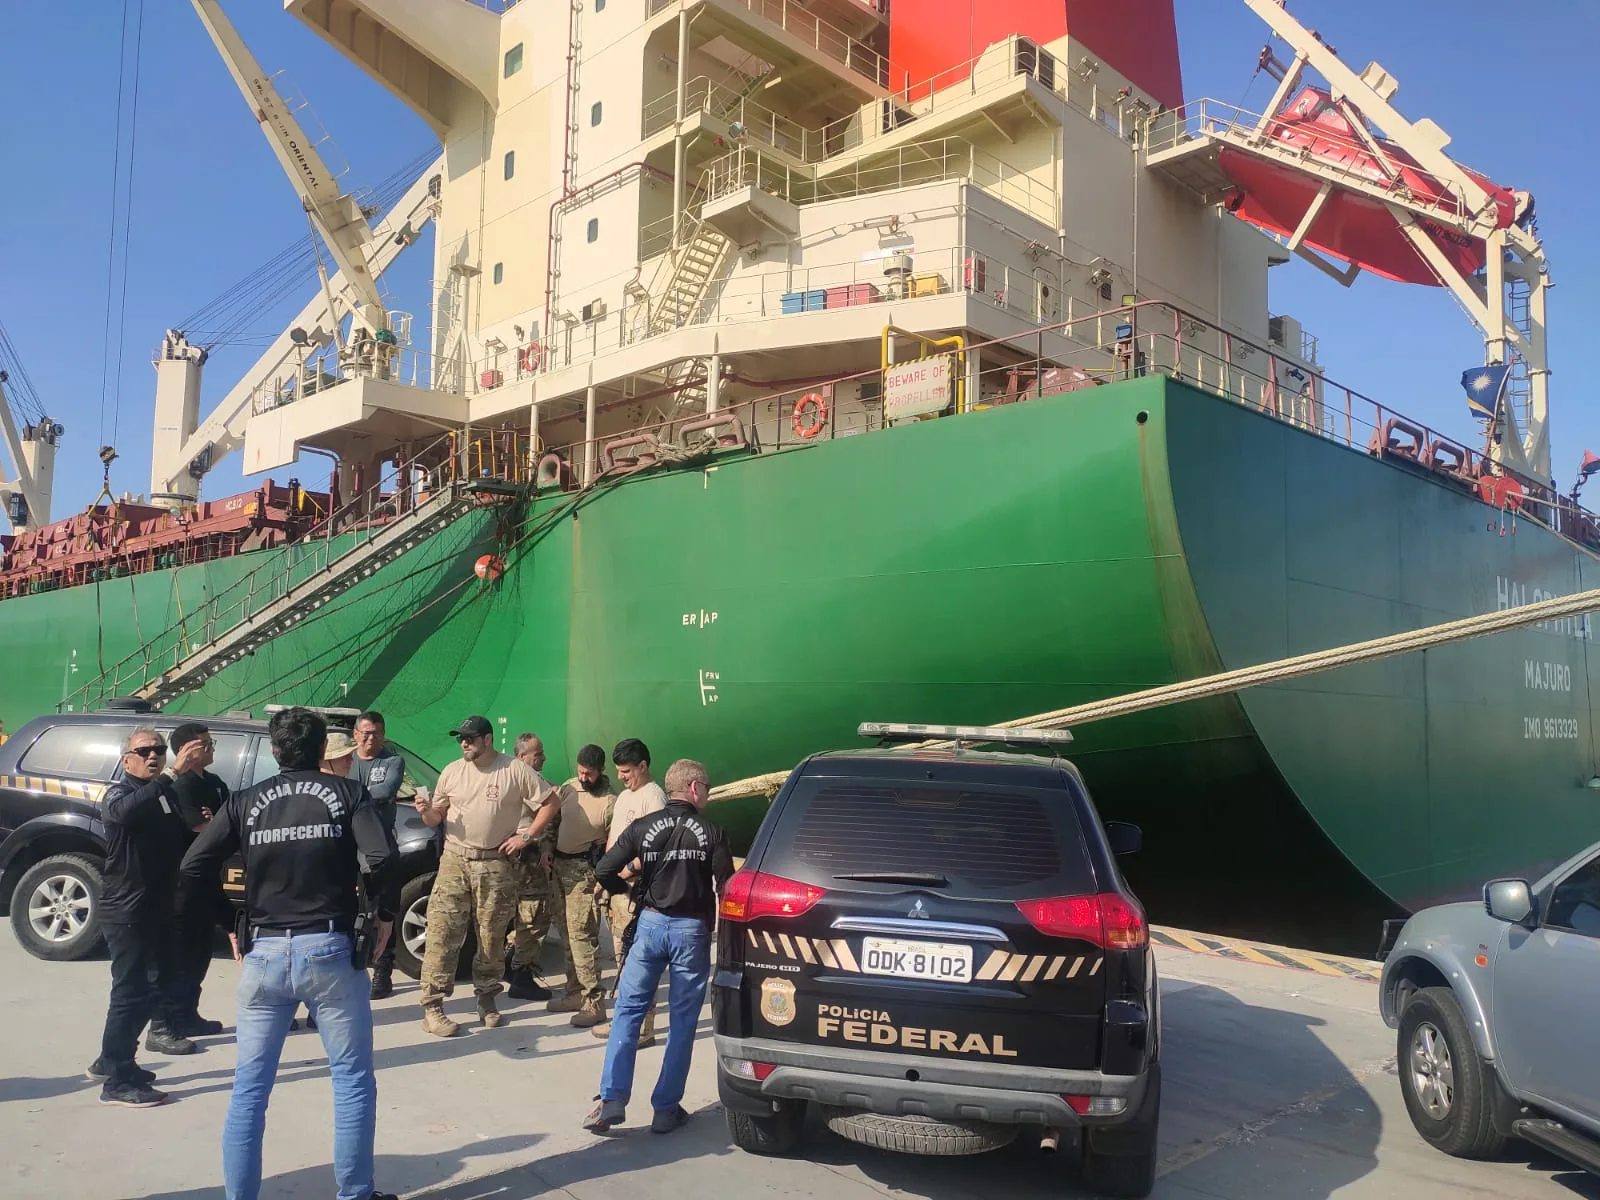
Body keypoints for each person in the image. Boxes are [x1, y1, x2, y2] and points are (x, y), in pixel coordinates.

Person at [179, 707, 399, 1200]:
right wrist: (381, 915)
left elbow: (194, 865)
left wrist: (231, 919)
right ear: (323, 750)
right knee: (351, 1081)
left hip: (265, 952)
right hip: (329, 952)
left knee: (249, 1091)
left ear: (275, 750)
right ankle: (355, 1194)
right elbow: (382, 857)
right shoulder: (348, 794)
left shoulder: (244, 801)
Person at [585, 759, 733, 1134]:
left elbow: (603, 870)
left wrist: (630, 891)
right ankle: (666, 1109)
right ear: (695, 788)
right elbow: (727, 888)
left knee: (628, 1011)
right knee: (683, 1022)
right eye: (708, 788)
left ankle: (612, 1100)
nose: (709, 795)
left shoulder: (643, 828)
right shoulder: (712, 832)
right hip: (691, 932)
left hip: (649, 926)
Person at [88, 727, 210, 1107]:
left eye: (158, 749)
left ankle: (111, 1060)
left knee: (149, 988)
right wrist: (174, 771)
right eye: (144, 751)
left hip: (156, 907)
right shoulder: (120, 794)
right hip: (128, 909)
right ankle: (117, 1080)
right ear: (127, 760)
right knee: (130, 993)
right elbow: (125, 813)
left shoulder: (162, 795)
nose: (153, 756)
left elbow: (177, 830)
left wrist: (201, 820)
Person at [414, 715, 553, 1037]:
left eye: (470, 738)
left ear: (488, 740)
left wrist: (527, 836)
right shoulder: (452, 771)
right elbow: (437, 816)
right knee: (442, 932)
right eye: (461, 738)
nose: (464, 743)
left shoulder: (515, 770)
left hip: (495, 862)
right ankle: (433, 1007)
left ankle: (488, 1000)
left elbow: (550, 803)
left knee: (491, 934)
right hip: (455, 859)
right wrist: (425, 811)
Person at [588, 737, 667, 1044]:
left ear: (643, 766)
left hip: (637, 891)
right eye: (619, 771)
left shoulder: (653, 799)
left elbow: (654, 849)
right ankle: (624, 1019)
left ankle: (642, 1027)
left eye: (626, 771)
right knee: (622, 958)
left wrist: (625, 872)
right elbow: (615, 841)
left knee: (638, 960)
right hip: (616, 889)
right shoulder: (624, 798)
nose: (620, 777)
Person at [160, 722, 231, 1041]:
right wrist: (214, 823)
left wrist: (214, 822)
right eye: (205, 743)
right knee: (180, 953)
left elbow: (228, 820)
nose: (211, 747)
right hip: (182, 883)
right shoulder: (180, 785)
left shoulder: (214, 783)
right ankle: (167, 1022)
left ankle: (189, 1014)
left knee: (201, 950)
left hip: (208, 880)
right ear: (186, 749)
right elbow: (199, 828)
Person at [539, 743, 615, 1028]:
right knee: (566, 933)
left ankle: (594, 1003)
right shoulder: (569, 789)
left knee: (583, 937)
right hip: (558, 868)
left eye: (590, 773)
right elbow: (551, 823)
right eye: (581, 772)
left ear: (601, 771)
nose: (584, 778)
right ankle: (574, 993)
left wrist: (603, 880)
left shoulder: (610, 802)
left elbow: (614, 844)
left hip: (585, 874)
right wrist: (547, 847)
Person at [350, 711, 406, 1000]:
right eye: (366, 732)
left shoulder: (392, 761)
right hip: (348, 849)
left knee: (384, 908)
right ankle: (353, 966)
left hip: (379, 848)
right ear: (355, 734)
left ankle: (383, 970)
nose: (371, 738)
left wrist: (350, 794)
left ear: (383, 735)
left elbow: (386, 789)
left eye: (376, 733)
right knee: (351, 910)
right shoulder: (346, 759)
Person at [505, 732, 553, 1002]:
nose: (543, 758)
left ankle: (512, 966)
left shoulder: (509, 777)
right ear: (522, 757)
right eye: (538, 754)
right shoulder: (525, 781)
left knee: (520, 916)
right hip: (526, 857)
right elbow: (546, 812)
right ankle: (522, 975)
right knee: (534, 917)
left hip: (522, 856)